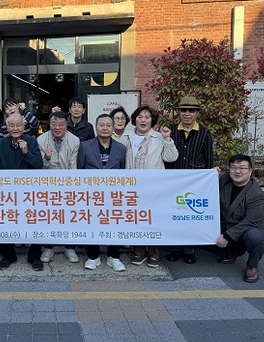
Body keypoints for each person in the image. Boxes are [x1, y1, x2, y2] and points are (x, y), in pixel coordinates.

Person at [120, 105, 178, 268]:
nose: (143, 120)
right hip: (131, 186)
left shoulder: (159, 137)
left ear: (152, 120)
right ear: (135, 120)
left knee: (152, 219)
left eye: (147, 117)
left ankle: (154, 253)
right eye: (140, 117)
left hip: (153, 186)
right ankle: (138, 251)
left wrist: (167, 140)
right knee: (135, 218)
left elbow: (171, 158)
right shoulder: (126, 136)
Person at [165, 96, 214, 264]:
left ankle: (189, 249)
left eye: (191, 110)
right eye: (183, 110)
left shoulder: (205, 133)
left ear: (197, 113)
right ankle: (175, 248)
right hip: (174, 181)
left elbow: (208, 159)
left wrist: (207, 178)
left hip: (195, 183)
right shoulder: (171, 131)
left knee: (190, 216)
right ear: (179, 112)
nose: (187, 114)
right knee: (174, 215)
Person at [0, 113, 44, 270]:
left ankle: (34, 256)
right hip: (7, 192)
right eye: (12, 125)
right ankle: (8, 255)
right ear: (7, 127)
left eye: (18, 125)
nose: (15, 128)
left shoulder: (32, 141)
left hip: (29, 193)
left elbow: (38, 165)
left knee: (36, 222)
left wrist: (26, 152)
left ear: (23, 127)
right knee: (0, 222)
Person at [77, 114, 127, 272]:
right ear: (96, 127)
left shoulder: (121, 148)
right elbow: (80, 168)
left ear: (113, 128)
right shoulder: (85, 146)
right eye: (101, 125)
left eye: (108, 125)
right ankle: (93, 256)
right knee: (92, 223)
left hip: (114, 195)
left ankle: (114, 256)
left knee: (115, 223)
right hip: (91, 194)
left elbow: (123, 170)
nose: (105, 128)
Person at [216, 154, 264, 283]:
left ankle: (252, 265)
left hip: (247, 229)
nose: (237, 171)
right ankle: (234, 250)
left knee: (255, 237)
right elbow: (207, 187)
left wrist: (227, 236)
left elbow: (250, 221)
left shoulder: (256, 194)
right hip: (226, 225)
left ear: (250, 171)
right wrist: (211, 174)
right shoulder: (225, 179)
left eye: (242, 168)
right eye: (233, 167)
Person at [36, 111, 81, 264]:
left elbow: (73, 165)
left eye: (61, 124)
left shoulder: (74, 140)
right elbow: (40, 167)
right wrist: (46, 159)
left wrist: (69, 186)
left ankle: (70, 247)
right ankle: (48, 247)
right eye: (54, 124)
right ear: (49, 125)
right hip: (47, 184)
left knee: (69, 216)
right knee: (49, 216)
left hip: (67, 183)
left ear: (66, 125)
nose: (57, 127)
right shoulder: (41, 140)